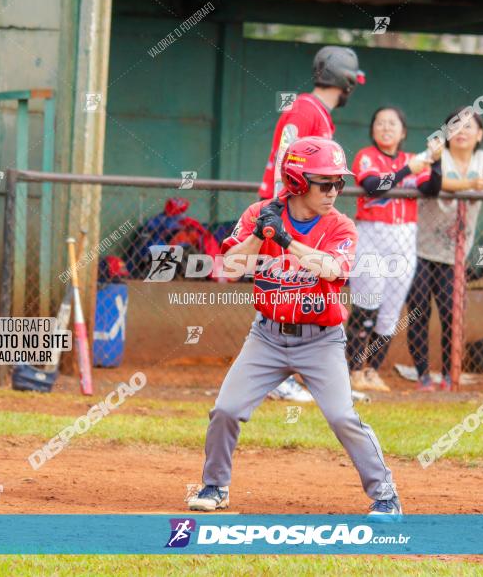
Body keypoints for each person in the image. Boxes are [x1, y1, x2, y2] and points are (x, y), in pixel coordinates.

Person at [188, 137, 401, 518]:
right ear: (298, 181)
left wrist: (287, 241)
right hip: (266, 337)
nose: (335, 191)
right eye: (326, 183)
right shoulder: (260, 214)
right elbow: (232, 267)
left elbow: (334, 269)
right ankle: (215, 486)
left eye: (339, 183)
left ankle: (386, 496)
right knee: (226, 409)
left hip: (320, 340)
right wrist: (259, 236)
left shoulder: (341, 226)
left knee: (342, 417)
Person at [259, 45, 365, 403]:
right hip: (283, 213)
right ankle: (274, 377)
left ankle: (297, 377)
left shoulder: (315, 111)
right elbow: (285, 159)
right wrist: (278, 211)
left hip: (291, 213)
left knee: (297, 286)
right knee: (281, 286)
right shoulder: (306, 110)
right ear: (345, 81)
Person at [407, 108, 483, 390]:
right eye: (456, 126)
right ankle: (422, 376)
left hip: (454, 256)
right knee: (418, 312)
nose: (462, 131)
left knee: (452, 315)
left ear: (480, 135)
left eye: (469, 127)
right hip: (418, 249)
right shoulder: (435, 155)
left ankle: (447, 374)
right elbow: (418, 176)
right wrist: (468, 184)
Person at [345, 106, 441, 393]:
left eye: (392, 124)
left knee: (389, 312)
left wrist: (435, 162)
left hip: (404, 237)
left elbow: (432, 189)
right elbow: (374, 186)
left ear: (403, 132)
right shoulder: (366, 156)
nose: (386, 128)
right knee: (366, 306)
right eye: (380, 123)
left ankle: (372, 371)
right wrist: (405, 172)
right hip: (372, 235)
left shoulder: (413, 159)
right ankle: (351, 370)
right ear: (372, 129)